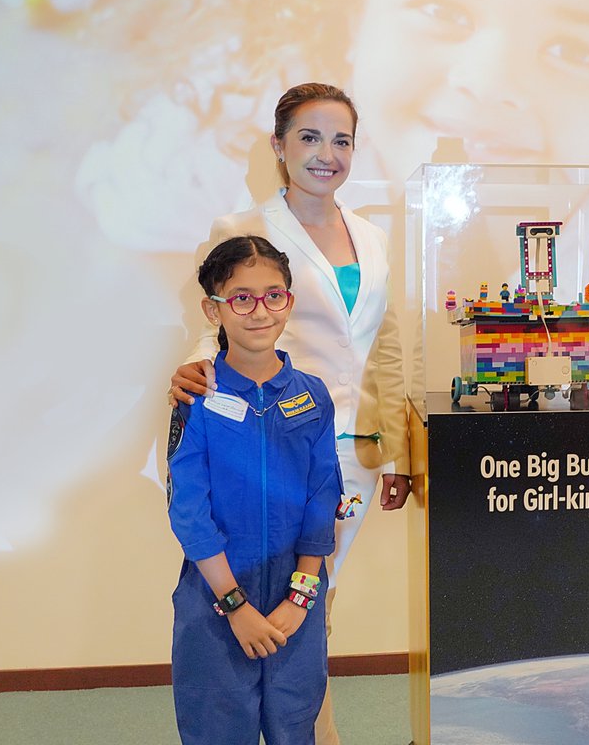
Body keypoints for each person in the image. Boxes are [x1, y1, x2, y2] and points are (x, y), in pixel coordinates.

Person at [168, 83, 409, 744]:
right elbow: (219, 317)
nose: (326, 154)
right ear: (279, 145)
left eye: (341, 140)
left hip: (352, 454)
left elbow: (383, 342)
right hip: (269, 445)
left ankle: (302, 729)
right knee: (281, 601)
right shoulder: (243, 228)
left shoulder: (372, 236)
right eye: (309, 137)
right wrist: (194, 370)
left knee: (316, 600)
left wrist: (396, 452)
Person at [167, 235, 341, 744]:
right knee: (218, 725)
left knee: (295, 721)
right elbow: (189, 510)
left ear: (289, 300)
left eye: (274, 295)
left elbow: (321, 499)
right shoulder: (195, 397)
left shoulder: (312, 397)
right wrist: (236, 606)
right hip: (216, 597)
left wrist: (300, 597)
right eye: (241, 297)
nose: (259, 310)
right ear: (213, 308)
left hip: (294, 602)